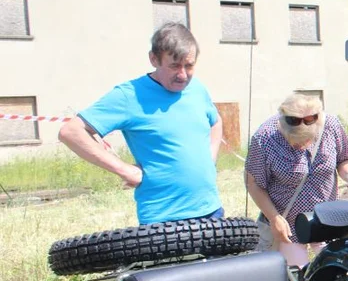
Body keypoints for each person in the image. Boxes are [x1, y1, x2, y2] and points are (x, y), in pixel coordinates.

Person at [59, 22, 224, 224]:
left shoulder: (197, 88)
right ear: (153, 59)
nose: (182, 75)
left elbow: (215, 122)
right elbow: (71, 132)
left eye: (189, 66)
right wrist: (124, 170)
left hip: (211, 210)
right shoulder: (129, 96)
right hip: (163, 219)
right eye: (174, 66)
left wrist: (210, 157)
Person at [245, 93, 348, 267]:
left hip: (327, 220)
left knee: (336, 272)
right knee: (297, 277)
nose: (302, 146)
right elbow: (253, 183)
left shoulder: (331, 125)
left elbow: (346, 159)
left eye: (307, 140)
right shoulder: (264, 137)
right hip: (288, 226)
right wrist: (274, 218)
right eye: (296, 142)